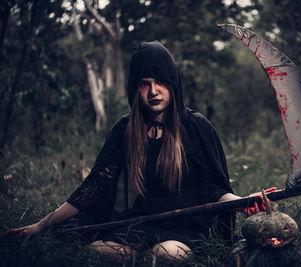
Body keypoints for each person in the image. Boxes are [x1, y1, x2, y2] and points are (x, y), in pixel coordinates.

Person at [8, 41, 267, 262]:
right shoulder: (125, 129)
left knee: (166, 254)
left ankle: (146, 256)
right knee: (96, 250)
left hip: (185, 226)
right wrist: (41, 224)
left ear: (173, 84)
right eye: (145, 83)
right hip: (140, 224)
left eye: (161, 82)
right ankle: (137, 255)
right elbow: (92, 189)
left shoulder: (195, 127)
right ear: (135, 89)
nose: (154, 91)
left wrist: (244, 202)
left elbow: (216, 190)